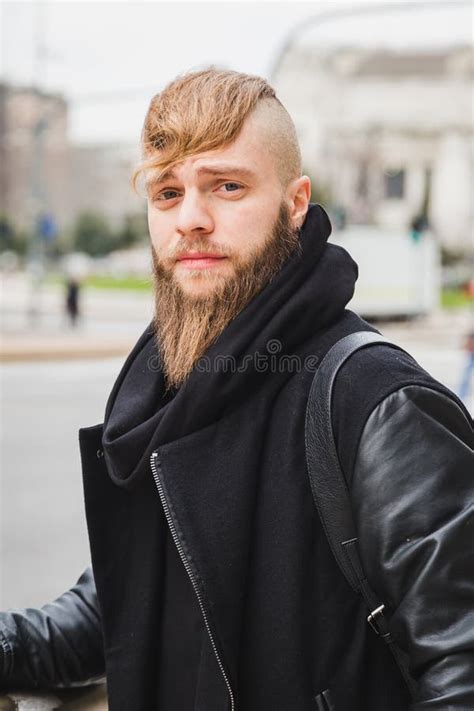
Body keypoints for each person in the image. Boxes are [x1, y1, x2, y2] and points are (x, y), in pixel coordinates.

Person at [0, 69, 472, 711]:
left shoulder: (376, 402)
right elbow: (119, 608)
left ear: (295, 202)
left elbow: (459, 673)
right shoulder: (162, 394)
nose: (191, 219)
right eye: (167, 192)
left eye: (227, 186)